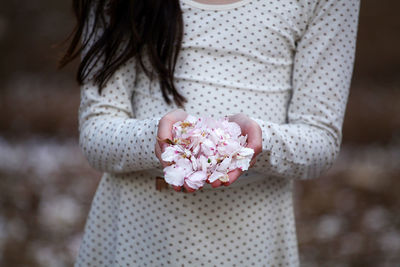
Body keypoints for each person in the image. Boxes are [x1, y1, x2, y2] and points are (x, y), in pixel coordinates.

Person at [61, 0, 360, 265]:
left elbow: (321, 139)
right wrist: (155, 138)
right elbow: (95, 130)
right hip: (137, 238)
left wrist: (258, 143)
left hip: (250, 243)